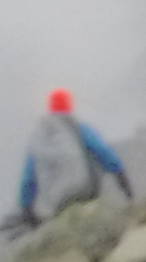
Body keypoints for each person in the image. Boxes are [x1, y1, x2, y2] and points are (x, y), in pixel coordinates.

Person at [16, 88, 133, 225]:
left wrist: (27, 208)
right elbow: (102, 151)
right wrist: (121, 178)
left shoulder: (39, 140)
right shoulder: (77, 127)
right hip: (84, 191)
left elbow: (28, 178)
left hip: (57, 201)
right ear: (69, 105)